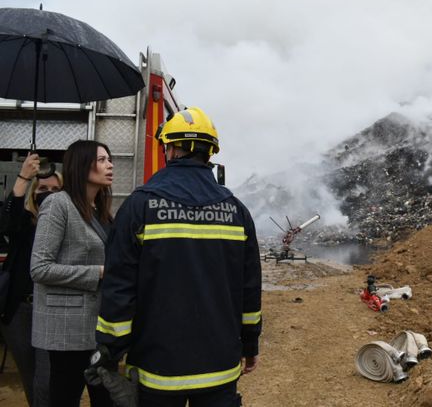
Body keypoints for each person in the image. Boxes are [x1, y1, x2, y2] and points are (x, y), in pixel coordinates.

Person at [93, 107, 262, 407]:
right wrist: (250, 342)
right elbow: (249, 291)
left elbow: (119, 288)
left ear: (169, 149)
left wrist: (110, 351)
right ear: (210, 153)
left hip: (157, 369)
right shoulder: (237, 211)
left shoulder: (139, 206)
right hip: (220, 368)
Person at [30, 140, 114, 407]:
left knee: (106, 399)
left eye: (109, 159)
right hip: (67, 330)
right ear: (81, 165)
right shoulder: (58, 204)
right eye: (101, 160)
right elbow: (40, 268)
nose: (109, 165)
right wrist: (98, 272)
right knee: (65, 398)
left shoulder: (99, 213)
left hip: (97, 328)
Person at [0, 153, 62, 406]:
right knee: (29, 376)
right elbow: (7, 222)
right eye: (43, 189)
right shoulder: (25, 223)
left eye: (56, 190)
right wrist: (24, 176)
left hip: (53, 310)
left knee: (46, 379)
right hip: (20, 311)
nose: (48, 194)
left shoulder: (68, 224)